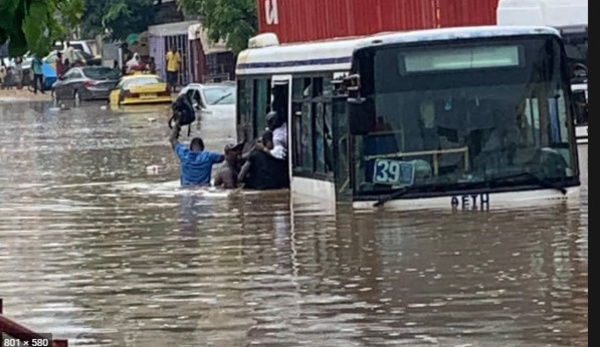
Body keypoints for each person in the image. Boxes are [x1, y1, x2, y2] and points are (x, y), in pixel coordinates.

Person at [169, 120, 225, 187]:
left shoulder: (184, 154)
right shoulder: (208, 156)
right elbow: (224, 157)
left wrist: (177, 122)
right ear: (203, 147)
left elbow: (172, 139)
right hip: (204, 188)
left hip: (186, 188)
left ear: (190, 148)